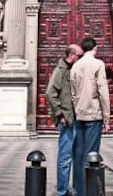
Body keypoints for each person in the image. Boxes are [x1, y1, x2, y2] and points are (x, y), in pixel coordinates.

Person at [70, 37, 110, 194]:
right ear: (95, 48)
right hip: (93, 114)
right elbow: (103, 92)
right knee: (92, 153)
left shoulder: (75, 65)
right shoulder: (98, 64)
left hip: (79, 114)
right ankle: (90, 190)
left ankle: (79, 189)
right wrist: (106, 117)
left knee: (79, 153)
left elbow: (73, 92)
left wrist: (77, 108)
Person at [45, 44, 84, 196]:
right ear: (72, 55)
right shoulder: (60, 70)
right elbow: (50, 93)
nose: (80, 59)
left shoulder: (72, 69)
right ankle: (62, 191)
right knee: (65, 157)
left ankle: (75, 188)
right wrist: (60, 114)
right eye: (79, 56)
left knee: (76, 156)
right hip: (67, 120)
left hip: (76, 119)